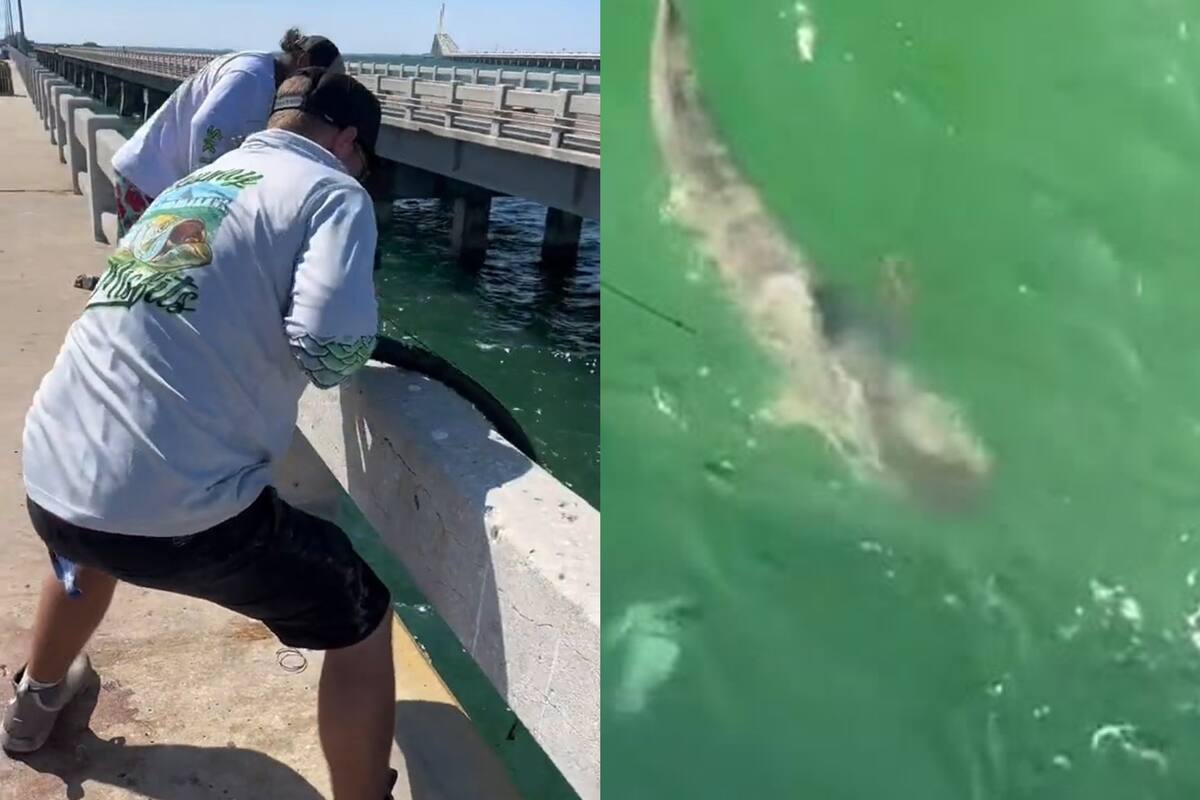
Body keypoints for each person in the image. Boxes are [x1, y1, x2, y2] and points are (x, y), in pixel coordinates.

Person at [3, 69, 398, 800]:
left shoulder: (199, 181)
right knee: (362, 614)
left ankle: (32, 710)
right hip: (178, 524)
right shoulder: (332, 191)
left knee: (87, 544)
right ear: (348, 141)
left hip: (52, 478)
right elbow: (329, 351)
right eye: (365, 162)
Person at [111, 27, 345, 237]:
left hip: (160, 180)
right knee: (141, 268)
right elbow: (206, 126)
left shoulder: (265, 74)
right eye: (317, 79)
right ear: (304, 61)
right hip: (150, 180)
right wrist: (204, 200)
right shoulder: (251, 76)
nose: (313, 89)